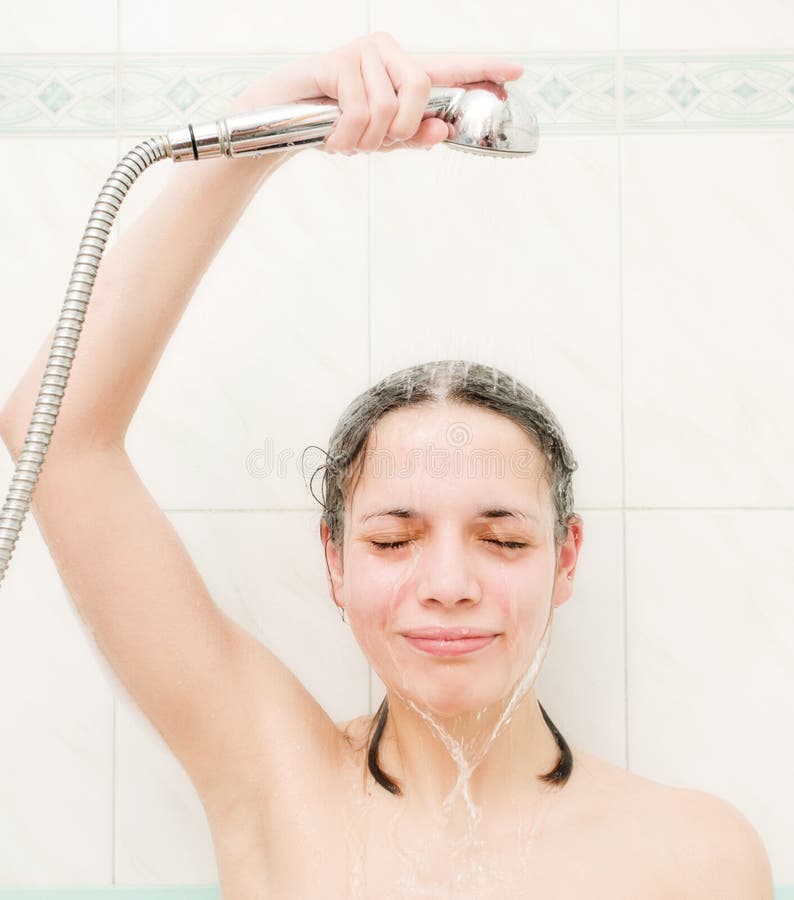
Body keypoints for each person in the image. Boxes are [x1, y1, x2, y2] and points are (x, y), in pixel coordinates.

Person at [0, 31, 774, 900]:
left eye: (504, 540)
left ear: (566, 558)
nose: (448, 583)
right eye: (393, 540)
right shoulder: (272, 777)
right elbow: (57, 437)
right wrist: (271, 123)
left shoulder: (697, 854)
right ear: (333, 560)